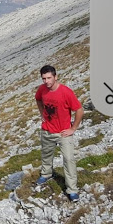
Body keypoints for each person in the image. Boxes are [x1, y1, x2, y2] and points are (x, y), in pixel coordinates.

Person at [35, 65, 84, 201]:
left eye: (49, 78)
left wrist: (73, 128)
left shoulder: (66, 92)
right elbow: (38, 99)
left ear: (55, 77)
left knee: (69, 159)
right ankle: (46, 174)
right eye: (44, 78)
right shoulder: (42, 89)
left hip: (63, 133)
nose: (46, 81)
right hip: (47, 130)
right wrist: (42, 114)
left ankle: (72, 190)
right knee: (46, 154)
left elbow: (79, 110)